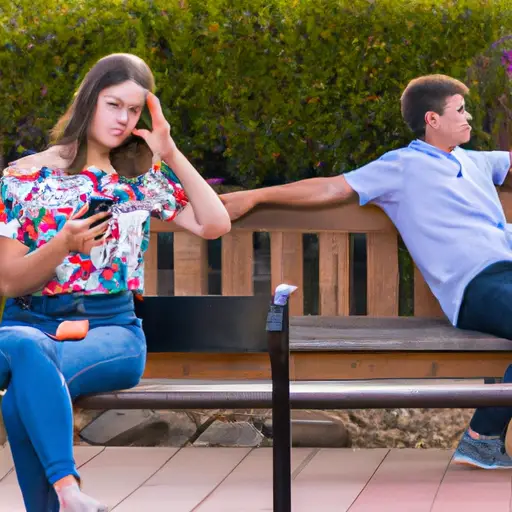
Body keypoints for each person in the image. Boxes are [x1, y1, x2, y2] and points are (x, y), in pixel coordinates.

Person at [220, 74, 512, 469]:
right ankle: (482, 437)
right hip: (474, 287)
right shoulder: (402, 166)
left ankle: (484, 437)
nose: (469, 117)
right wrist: (256, 195)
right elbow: (329, 188)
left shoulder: (474, 160)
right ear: (432, 119)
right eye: (460, 111)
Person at [0, 53, 230, 511]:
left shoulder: (139, 179)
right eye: (113, 104)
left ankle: (66, 497)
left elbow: (214, 223)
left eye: (134, 110)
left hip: (111, 331)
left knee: (20, 394)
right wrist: (63, 244)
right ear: (89, 100)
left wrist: (170, 153)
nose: (124, 120)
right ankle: (70, 495)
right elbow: (9, 281)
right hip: (27, 323)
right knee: (27, 351)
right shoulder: (24, 177)